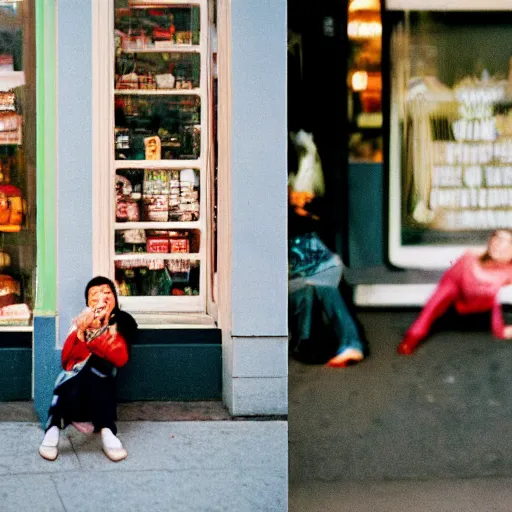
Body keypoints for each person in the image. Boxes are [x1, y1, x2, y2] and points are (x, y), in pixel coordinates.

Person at [38, 276, 137, 462]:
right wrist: (82, 332)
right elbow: (68, 360)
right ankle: (58, 430)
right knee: (70, 375)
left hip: (103, 376)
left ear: (115, 298)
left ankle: (99, 429)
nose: (101, 298)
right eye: (94, 295)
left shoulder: (120, 321)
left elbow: (119, 356)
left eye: (107, 293)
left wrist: (101, 330)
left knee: (98, 367)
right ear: (87, 303)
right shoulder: (81, 322)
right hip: (77, 380)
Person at [397, 230, 512, 355]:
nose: (499, 244)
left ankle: (499, 329)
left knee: (495, 297)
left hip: (482, 302)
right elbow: (462, 284)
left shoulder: (508, 271)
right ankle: (412, 337)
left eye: (508, 242)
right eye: (497, 238)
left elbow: (496, 299)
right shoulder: (470, 258)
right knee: (437, 300)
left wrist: (500, 329)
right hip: (458, 290)